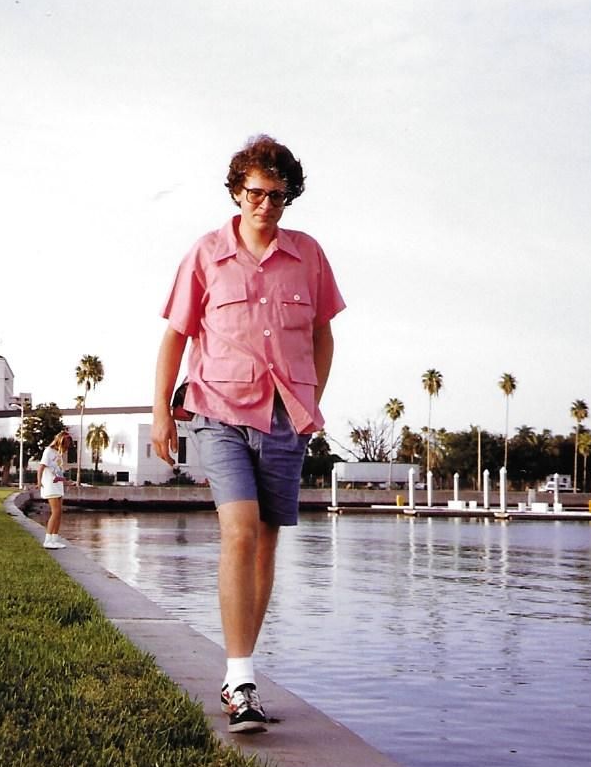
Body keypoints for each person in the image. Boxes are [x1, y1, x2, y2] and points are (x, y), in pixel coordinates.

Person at [151, 134, 345, 734]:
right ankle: (241, 682)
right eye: (257, 193)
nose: (266, 205)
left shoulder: (308, 255)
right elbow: (176, 336)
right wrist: (162, 412)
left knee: (265, 543)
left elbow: (323, 334)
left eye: (278, 196)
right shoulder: (206, 254)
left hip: (286, 419)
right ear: (237, 192)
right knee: (237, 532)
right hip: (219, 410)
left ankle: (240, 669)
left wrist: (310, 400)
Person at [37, 431, 73, 550]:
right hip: (50, 485)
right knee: (55, 512)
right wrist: (39, 482)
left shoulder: (59, 454)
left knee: (59, 513)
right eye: (66, 444)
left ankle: (54, 539)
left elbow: (57, 474)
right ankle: (47, 540)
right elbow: (41, 467)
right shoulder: (48, 451)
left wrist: (66, 482)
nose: (67, 447)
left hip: (58, 486)